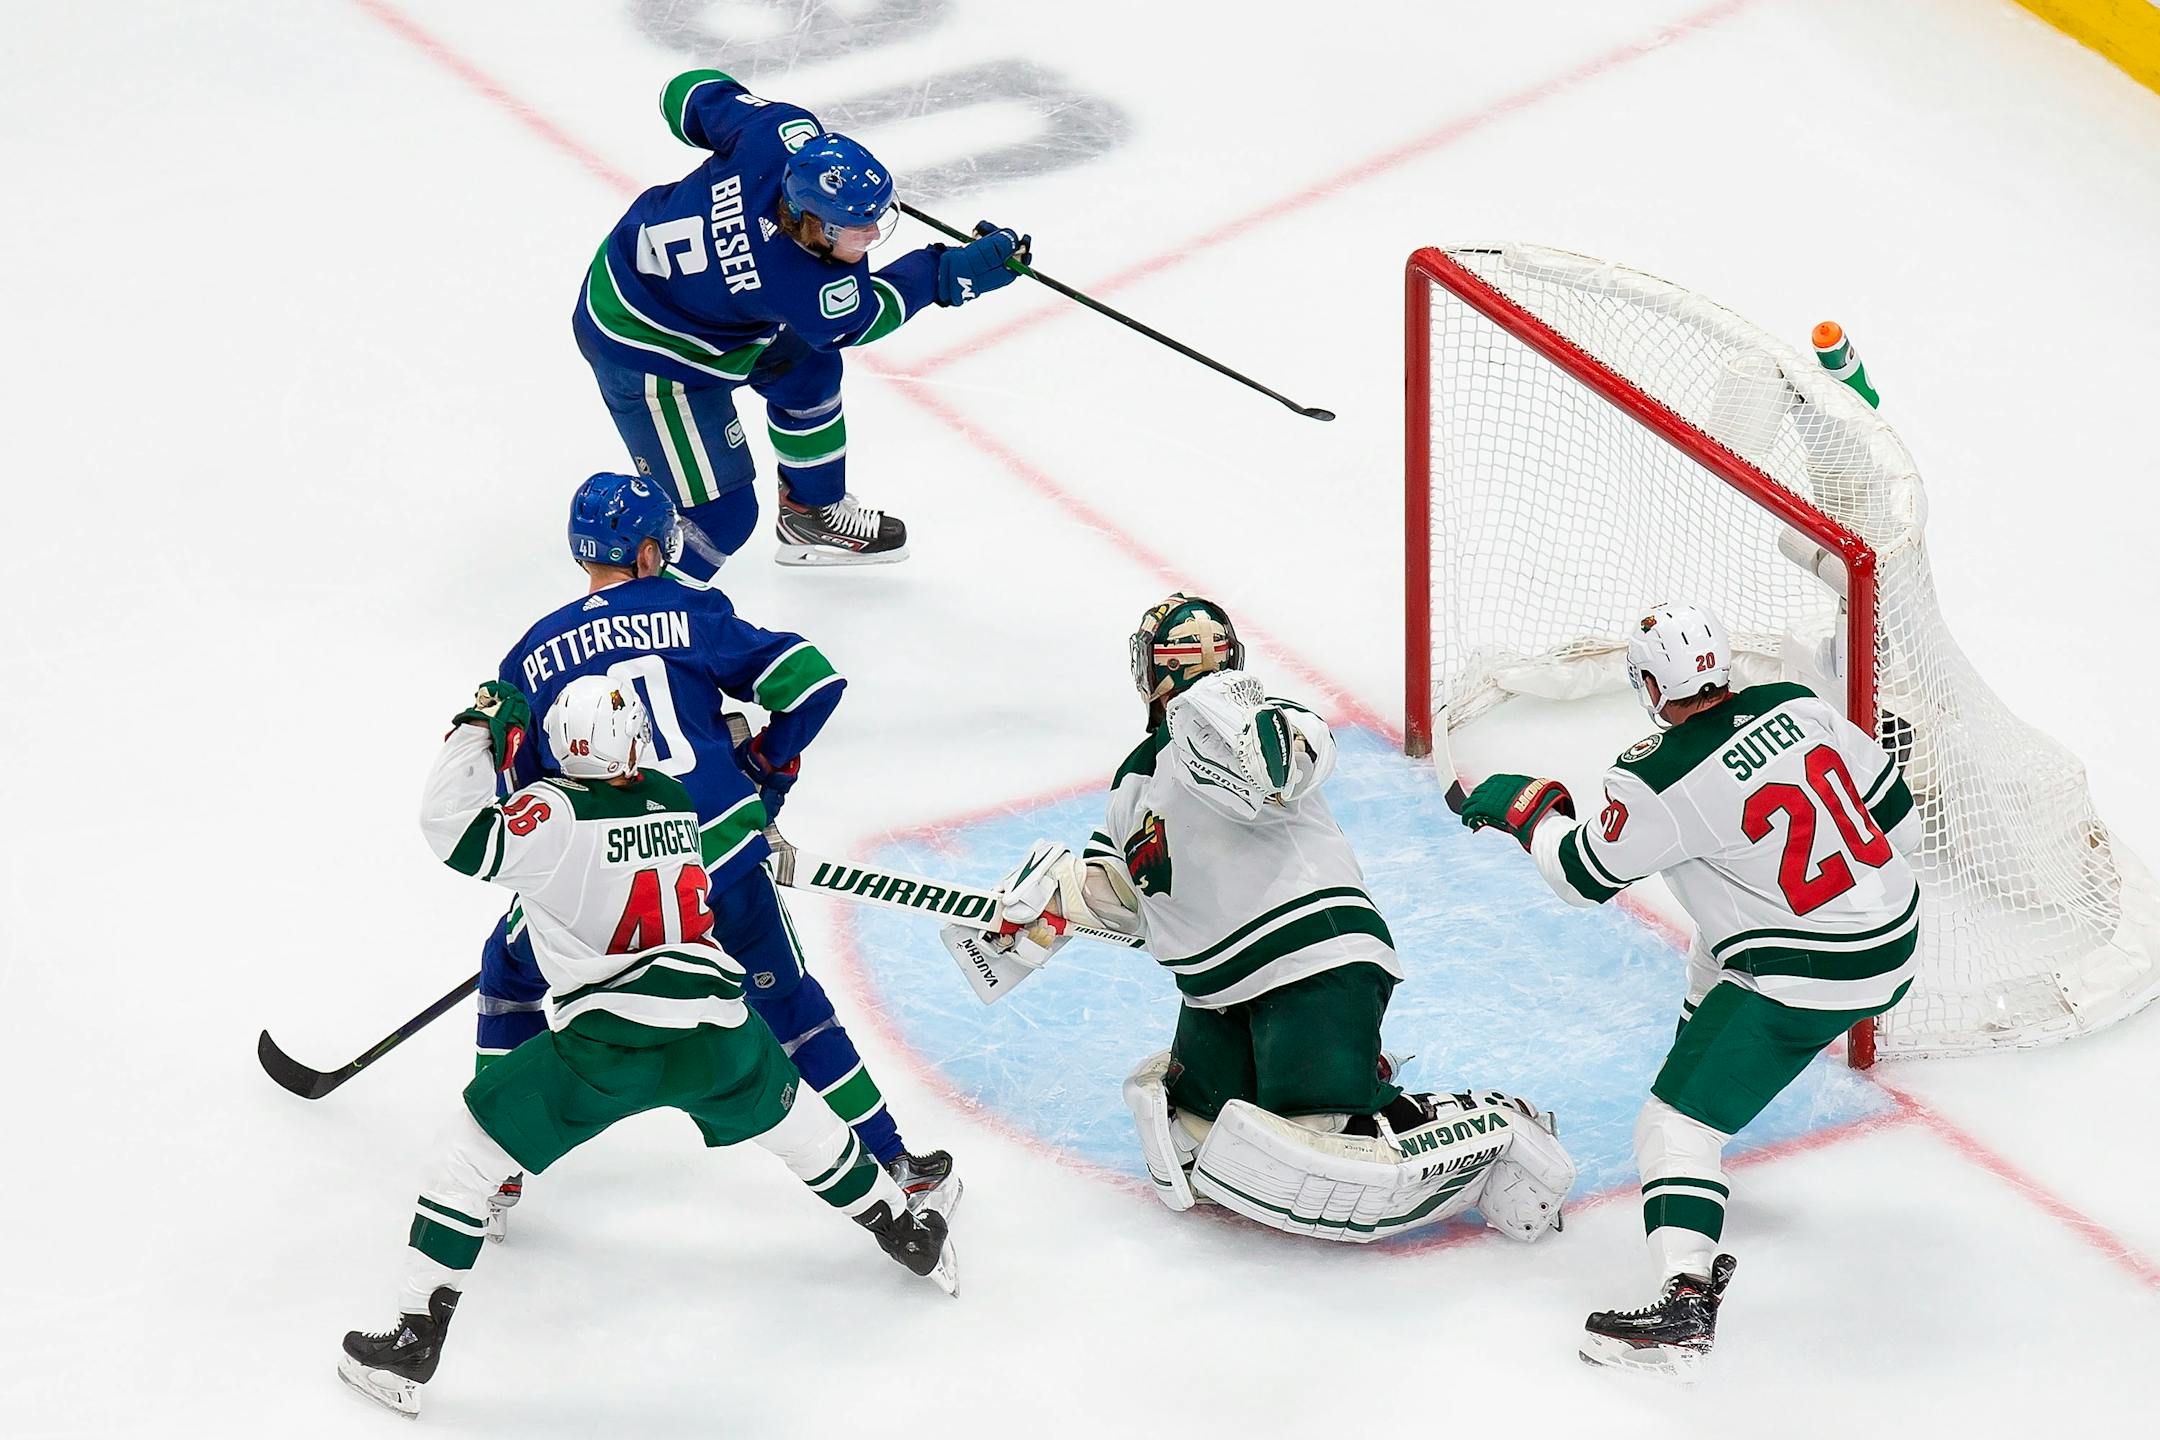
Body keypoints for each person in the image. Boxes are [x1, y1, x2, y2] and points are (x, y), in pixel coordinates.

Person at [338, 676, 953, 1418]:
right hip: (722, 1026)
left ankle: (412, 1341)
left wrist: (476, 729)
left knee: (466, 1161)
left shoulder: (551, 812)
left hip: (608, 1042)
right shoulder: (670, 799)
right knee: (808, 1134)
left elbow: (450, 828)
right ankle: (905, 1230)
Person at [942, 593, 1576, 1243]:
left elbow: (1290, 756)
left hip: (1312, 960)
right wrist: (1039, 908)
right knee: (1197, 1121)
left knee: (1322, 1140)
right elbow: (1125, 896)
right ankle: (1347, 1079)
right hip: (1218, 988)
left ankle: (1494, 1125)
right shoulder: (1133, 780)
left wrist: (1248, 728)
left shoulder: (1234, 715)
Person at [476, 473, 954, 1242]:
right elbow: (813, 682)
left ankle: (492, 1173)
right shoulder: (687, 608)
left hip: (602, 878)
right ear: (642, 551)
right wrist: (768, 764)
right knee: (788, 1002)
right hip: (717, 860)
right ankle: (893, 1161)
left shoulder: (529, 655)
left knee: (508, 977)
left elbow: (521, 799)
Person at [1459, 601, 1920, 1376]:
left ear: (1647, 684)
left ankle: (1684, 1301)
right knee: (1712, 946)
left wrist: (1529, 813)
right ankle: (1703, 1117)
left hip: (1815, 973)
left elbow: (1579, 876)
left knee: (1671, 1124)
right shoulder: (1797, 704)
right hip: (1897, 935)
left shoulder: (1655, 775)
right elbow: (1897, 821)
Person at [573, 68, 1032, 571]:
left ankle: (809, 515)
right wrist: (946, 272)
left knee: (808, 372)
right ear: (813, 222)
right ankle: (644, 615)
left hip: (667, 285)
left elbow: (682, 95)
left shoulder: (776, 136)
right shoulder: (808, 288)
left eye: (878, 215)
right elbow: (866, 315)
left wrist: (717, 111)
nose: (875, 233)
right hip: (645, 348)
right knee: (722, 518)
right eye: (858, 227)